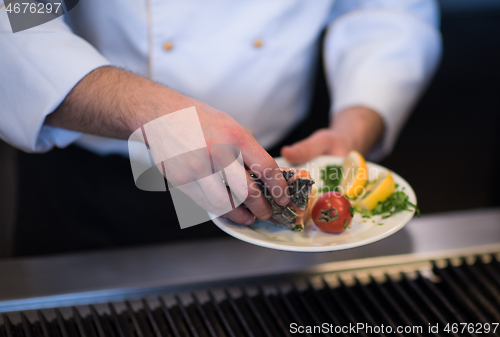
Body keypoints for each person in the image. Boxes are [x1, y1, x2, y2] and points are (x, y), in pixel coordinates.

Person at [0, 0, 442, 255]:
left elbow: (383, 10)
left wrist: (352, 129)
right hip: (99, 194)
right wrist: (152, 111)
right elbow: (15, 18)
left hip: (284, 178)